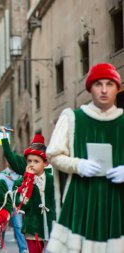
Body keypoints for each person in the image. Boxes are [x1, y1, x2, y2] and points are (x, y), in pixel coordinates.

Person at [46, 63, 124, 253]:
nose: (104, 90)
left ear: (117, 88)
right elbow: (53, 154)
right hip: (81, 199)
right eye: (98, 84)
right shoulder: (72, 118)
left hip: (118, 201)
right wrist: (78, 165)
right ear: (90, 88)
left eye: (109, 84)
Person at [11, 134, 56, 253]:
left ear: (45, 163)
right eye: (29, 161)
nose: (31, 164)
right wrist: (28, 181)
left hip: (53, 226)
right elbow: (21, 205)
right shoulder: (20, 182)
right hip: (33, 228)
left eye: (36, 161)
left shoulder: (53, 180)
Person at [0, 163, 28, 253]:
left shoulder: (20, 175)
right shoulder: (1, 175)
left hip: (15, 205)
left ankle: (23, 249)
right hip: (5, 205)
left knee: (18, 226)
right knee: (1, 226)